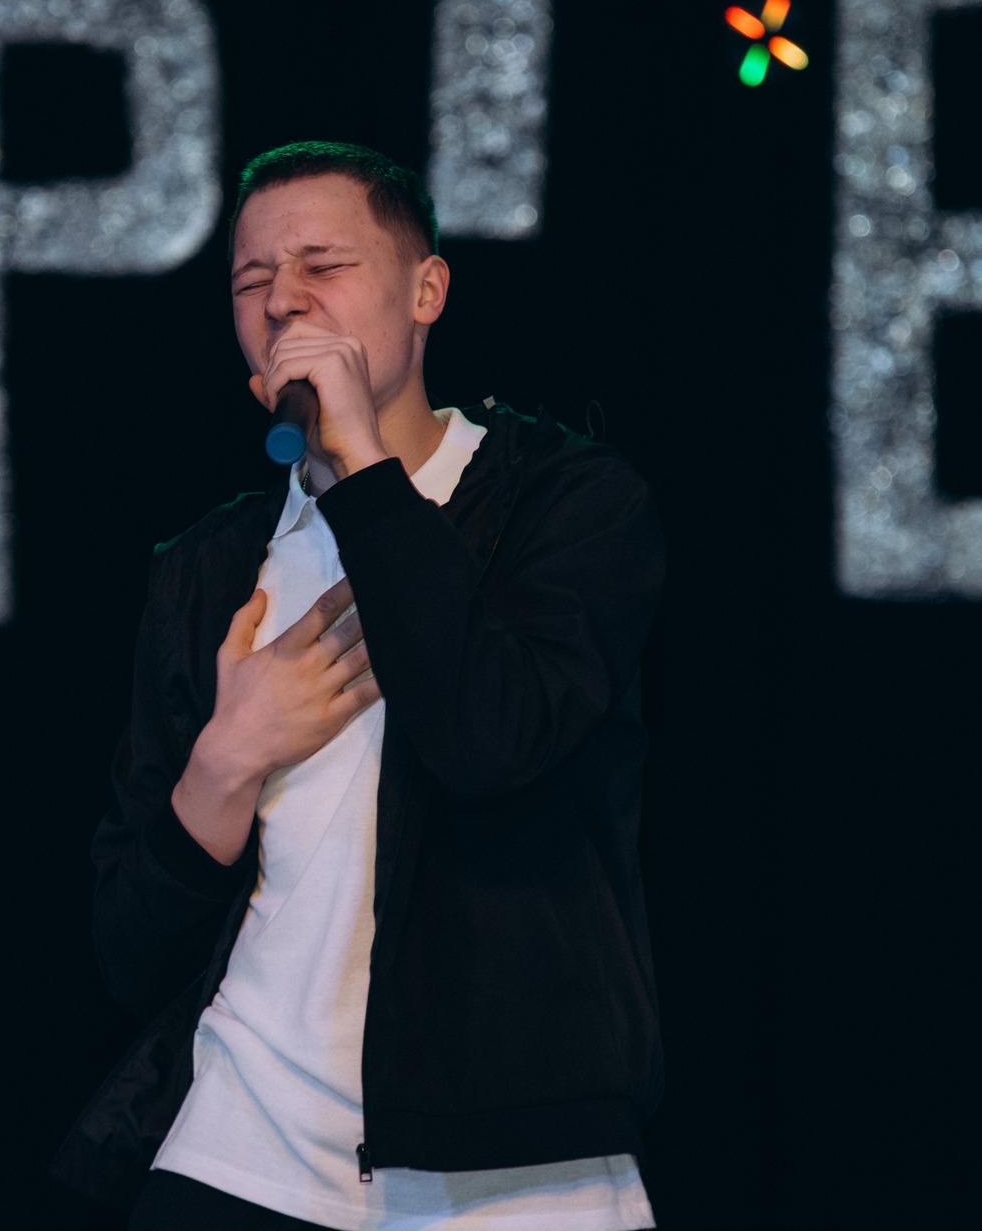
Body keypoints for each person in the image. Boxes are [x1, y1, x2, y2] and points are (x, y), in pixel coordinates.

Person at [52, 142, 666, 1230]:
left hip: (506, 1167)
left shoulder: (563, 503)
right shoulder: (206, 570)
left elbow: (489, 737)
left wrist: (363, 475)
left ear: (426, 290)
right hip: (241, 1146)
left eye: (322, 266)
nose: (283, 301)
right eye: (251, 279)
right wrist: (228, 756)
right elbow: (128, 943)